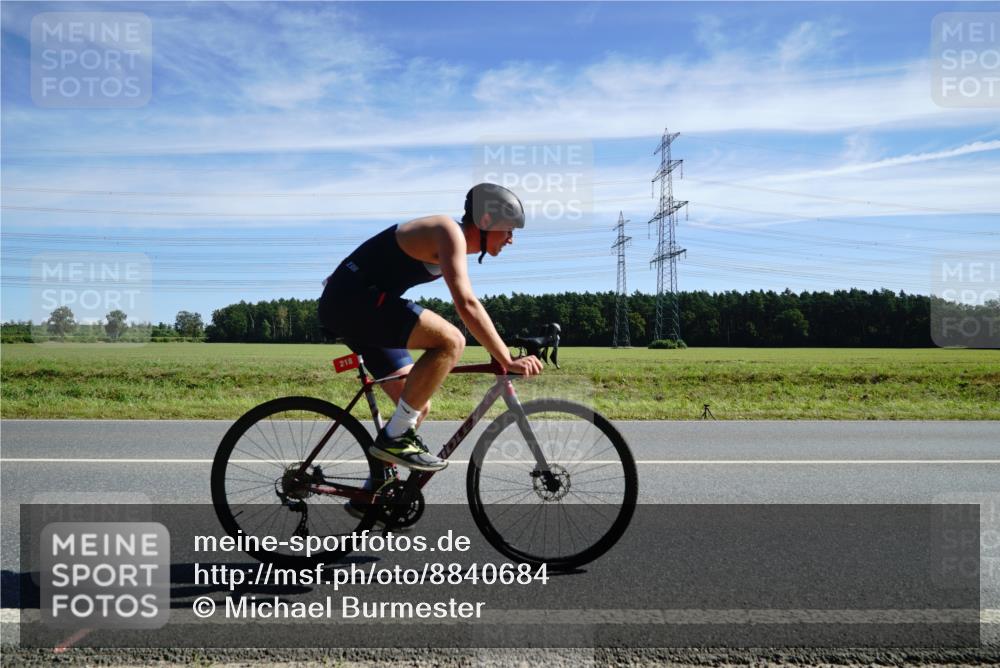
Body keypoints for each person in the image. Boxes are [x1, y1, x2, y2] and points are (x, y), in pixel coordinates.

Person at [318, 183, 544, 482]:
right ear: (486, 223)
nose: (512, 240)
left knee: (416, 404)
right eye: (509, 230)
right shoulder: (447, 231)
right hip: (353, 304)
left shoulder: (453, 241)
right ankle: (393, 440)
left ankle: (373, 494)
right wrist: (506, 358)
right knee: (451, 341)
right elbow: (466, 303)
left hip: (359, 305)